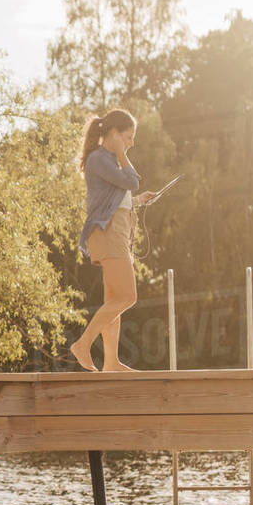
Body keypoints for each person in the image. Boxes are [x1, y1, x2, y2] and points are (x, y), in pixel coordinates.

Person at [69, 109, 155, 372]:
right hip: (108, 234)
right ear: (114, 133)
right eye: (127, 138)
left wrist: (138, 202)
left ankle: (111, 361)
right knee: (127, 296)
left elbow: (119, 196)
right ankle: (83, 344)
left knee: (113, 298)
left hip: (113, 231)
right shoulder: (100, 159)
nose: (130, 144)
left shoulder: (107, 161)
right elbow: (132, 181)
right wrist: (122, 153)